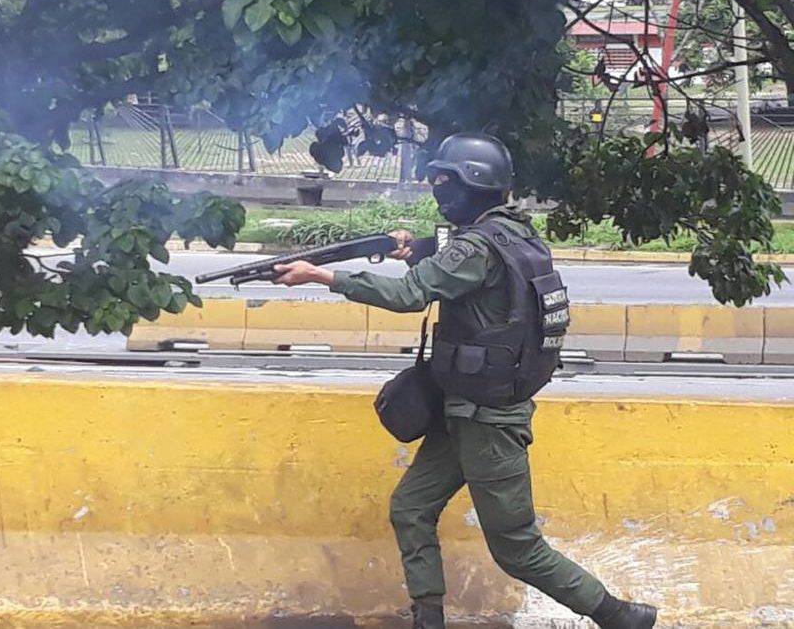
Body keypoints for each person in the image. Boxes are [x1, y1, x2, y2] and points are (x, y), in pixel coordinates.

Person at [273, 133, 657, 629]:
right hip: (465, 408)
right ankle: (427, 618)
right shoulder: (513, 232)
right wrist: (420, 248)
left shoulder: (478, 244)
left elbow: (413, 293)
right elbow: (460, 265)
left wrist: (324, 277)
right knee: (411, 507)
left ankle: (619, 617)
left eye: (444, 180)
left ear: (472, 184)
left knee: (517, 548)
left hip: (489, 420)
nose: (437, 189)